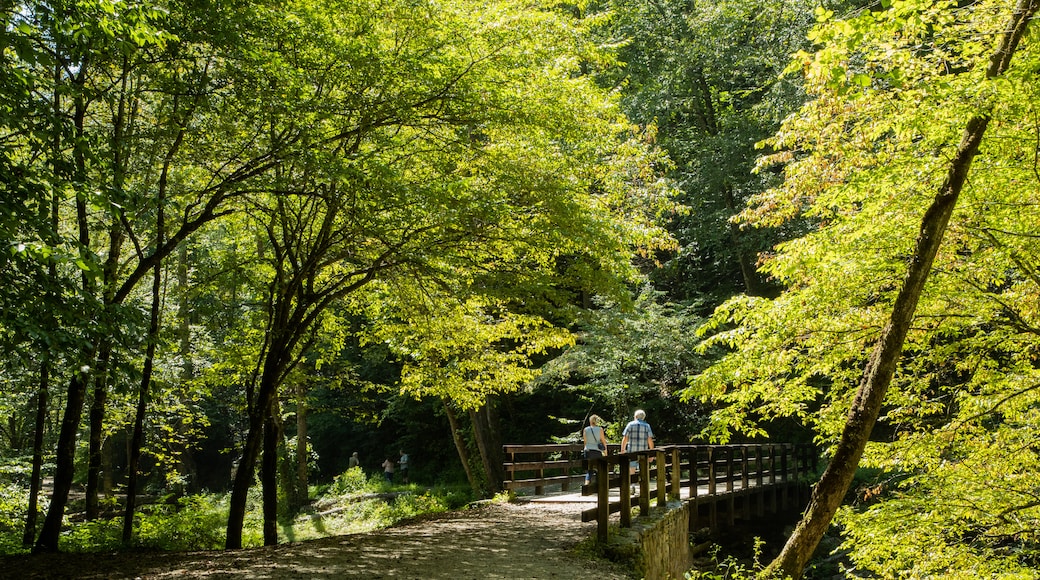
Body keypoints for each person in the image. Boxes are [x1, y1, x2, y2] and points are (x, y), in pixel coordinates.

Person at [620, 409, 654, 475]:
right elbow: (650, 440)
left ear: (635, 416)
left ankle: (633, 483)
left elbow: (625, 438)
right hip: (643, 451)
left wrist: (623, 450)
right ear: (643, 417)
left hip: (632, 450)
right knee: (643, 469)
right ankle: (643, 483)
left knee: (632, 468)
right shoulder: (647, 426)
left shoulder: (630, 425)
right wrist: (651, 453)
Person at [582, 414, 608, 485]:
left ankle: (586, 484)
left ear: (590, 421)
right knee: (598, 468)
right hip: (597, 451)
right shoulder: (600, 429)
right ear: (597, 421)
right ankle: (598, 486)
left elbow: (585, 441)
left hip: (587, 450)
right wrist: (605, 452)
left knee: (589, 469)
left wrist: (585, 449)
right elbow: (603, 441)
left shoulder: (586, 429)